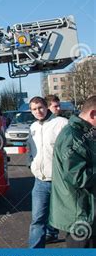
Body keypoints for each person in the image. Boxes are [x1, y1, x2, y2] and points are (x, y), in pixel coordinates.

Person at [49, 95, 96, 248]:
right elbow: (78, 177)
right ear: (93, 114)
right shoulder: (73, 136)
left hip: (86, 212)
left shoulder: (83, 132)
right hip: (81, 215)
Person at [27, 96, 68, 248]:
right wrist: (31, 165)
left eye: (40, 107)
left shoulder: (62, 123)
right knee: (37, 219)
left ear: (46, 107)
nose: (38, 111)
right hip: (40, 182)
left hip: (60, 181)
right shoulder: (33, 127)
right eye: (34, 109)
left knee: (69, 220)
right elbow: (30, 150)